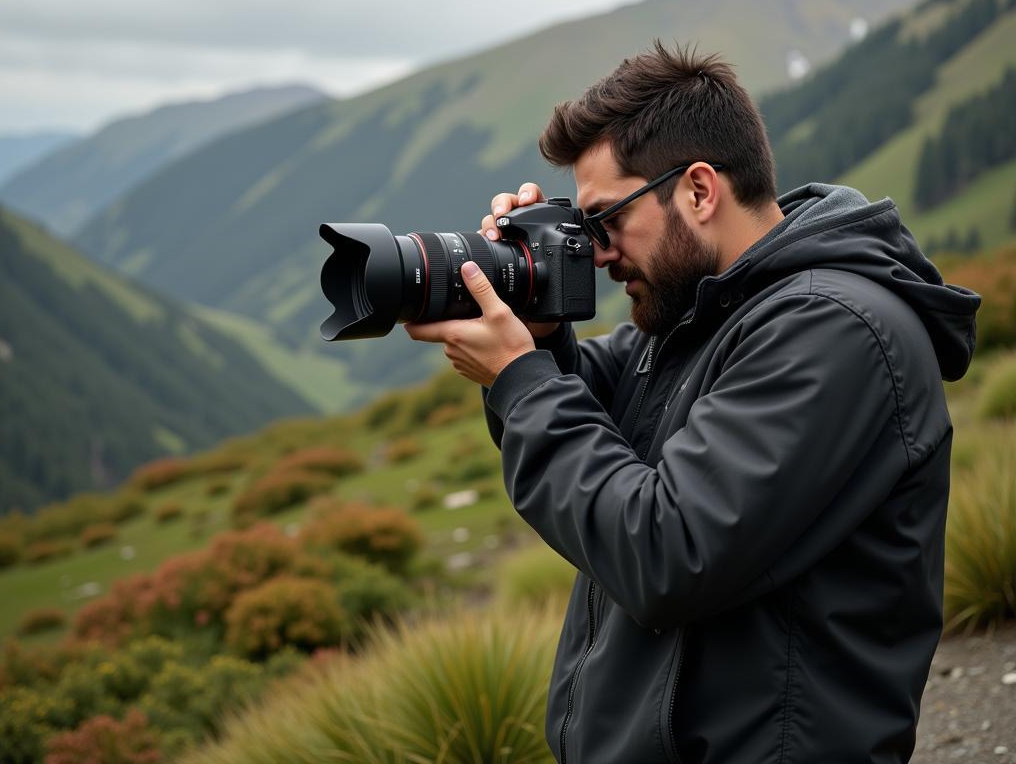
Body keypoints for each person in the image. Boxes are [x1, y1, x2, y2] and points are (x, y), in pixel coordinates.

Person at [404, 41, 980, 763]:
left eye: (607, 220)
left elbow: (667, 553)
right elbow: (597, 428)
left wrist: (519, 378)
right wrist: (540, 329)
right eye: (583, 230)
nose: (600, 251)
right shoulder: (700, 314)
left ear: (699, 190)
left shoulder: (834, 331)